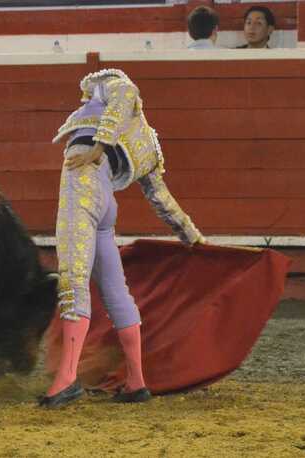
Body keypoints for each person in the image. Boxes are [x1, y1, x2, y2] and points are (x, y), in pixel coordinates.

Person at [38, 69, 205, 408]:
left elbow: (125, 93)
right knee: (116, 292)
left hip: (82, 183)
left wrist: (98, 147)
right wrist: (193, 236)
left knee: (73, 281)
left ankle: (67, 380)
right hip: (106, 202)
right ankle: (136, 381)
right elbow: (163, 201)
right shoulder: (150, 149)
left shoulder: (113, 84)